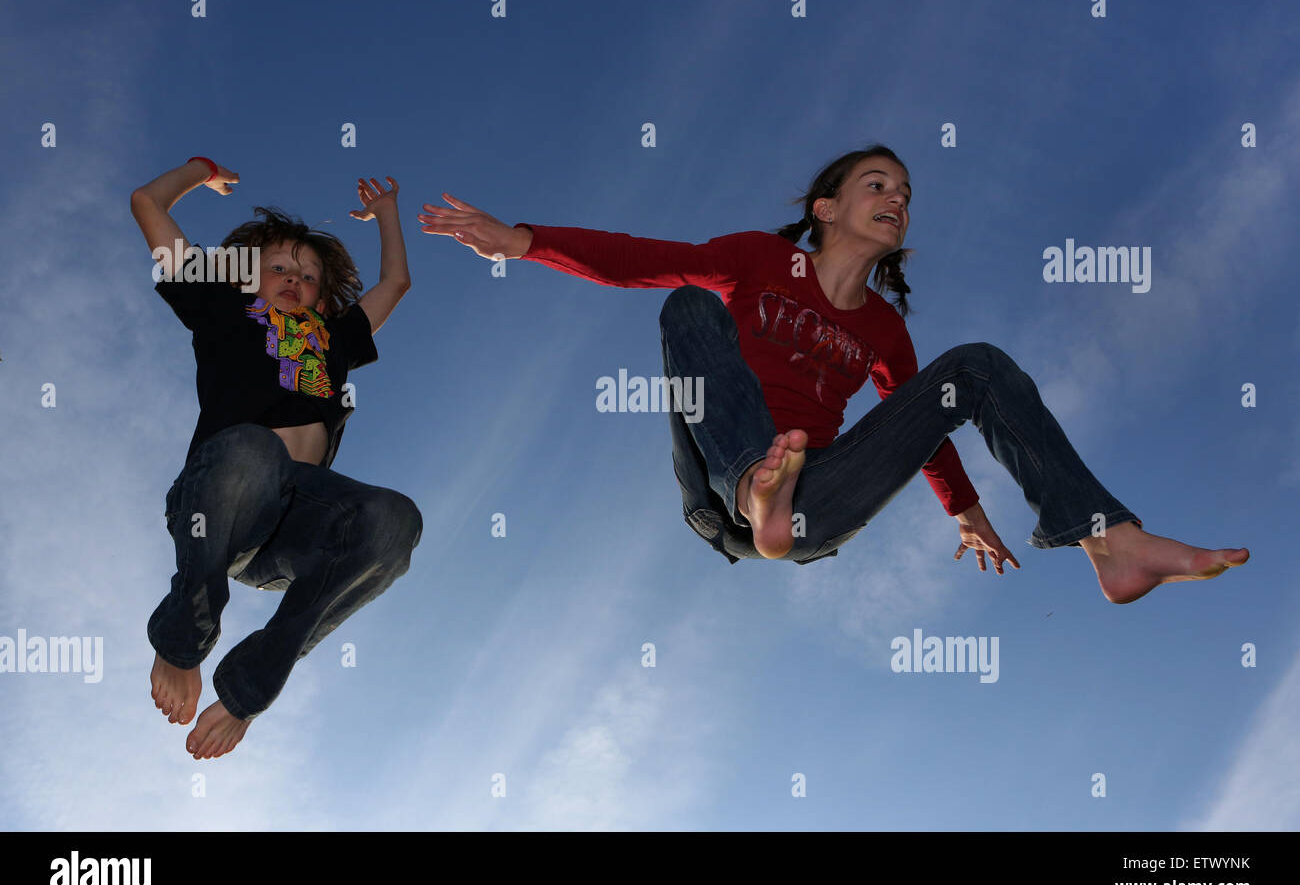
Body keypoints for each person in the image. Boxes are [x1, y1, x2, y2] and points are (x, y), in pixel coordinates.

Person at [415, 145, 1247, 604]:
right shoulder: (756, 259)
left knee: (977, 367)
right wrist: (521, 240)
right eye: (877, 185)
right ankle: (757, 489)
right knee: (687, 309)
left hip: (822, 500)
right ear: (826, 208)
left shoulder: (883, 328)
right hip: (732, 485)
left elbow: (924, 426)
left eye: (908, 194)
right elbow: (645, 260)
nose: (898, 199)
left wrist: (965, 512)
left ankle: (1111, 540)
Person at [132, 157, 423, 759]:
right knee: (253, 448)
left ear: (322, 297)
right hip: (224, 503)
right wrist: (197, 171)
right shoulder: (222, 310)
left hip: (300, 526)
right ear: (246, 277)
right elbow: (147, 205)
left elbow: (395, 283)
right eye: (279, 268)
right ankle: (184, 637)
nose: (295, 278)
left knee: (395, 518)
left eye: (310, 276)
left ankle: (247, 691)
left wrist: (387, 213)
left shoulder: (332, 340)